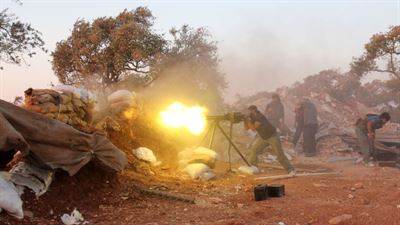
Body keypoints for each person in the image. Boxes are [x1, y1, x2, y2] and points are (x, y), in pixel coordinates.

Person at [245, 105, 295, 174]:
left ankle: (290, 169)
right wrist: (245, 120)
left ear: (253, 111)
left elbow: (253, 128)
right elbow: (247, 128)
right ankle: (254, 167)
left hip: (272, 137)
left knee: (279, 154)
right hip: (264, 138)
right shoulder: (252, 117)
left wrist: (247, 120)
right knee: (254, 150)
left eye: (248, 111)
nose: (247, 113)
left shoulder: (260, 116)